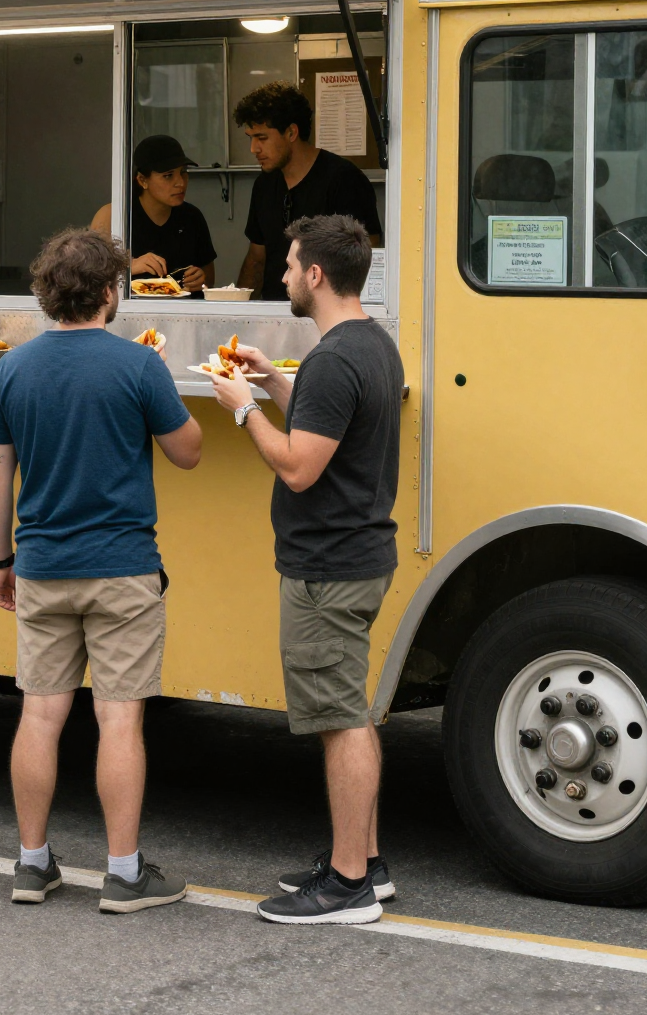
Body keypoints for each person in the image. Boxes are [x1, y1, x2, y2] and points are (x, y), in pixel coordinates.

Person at [0, 227, 202, 913]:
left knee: (40, 716)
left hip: (43, 565)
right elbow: (188, 451)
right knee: (118, 722)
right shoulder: (137, 366)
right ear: (111, 292)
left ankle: (30, 863)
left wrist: (1, 560)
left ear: (47, 294)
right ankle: (125, 873)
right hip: (123, 569)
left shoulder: (14, 368)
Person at [209, 214, 402, 925]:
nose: (283, 275)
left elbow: (298, 466)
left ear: (316, 275)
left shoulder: (332, 359)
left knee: (338, 720)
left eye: (290, 266)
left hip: (327, 566)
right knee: (348, 710)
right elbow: (325, 430)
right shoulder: (371, 344)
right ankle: (366, 863)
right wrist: (270, 388)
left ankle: (348, 884)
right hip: (359, 555)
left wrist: (238, 412)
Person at [233, 83, 382, 300]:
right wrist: (240, 313)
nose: (253, 148)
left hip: (325, 319)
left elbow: (367, 256)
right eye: (251, 138)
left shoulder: (344, 180)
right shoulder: (264, 185)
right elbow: (256, 259)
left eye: (262, 138)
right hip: (272, 315)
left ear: (292, 132)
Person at [89, 135, 217, 292]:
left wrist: (200, 281)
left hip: (183, 313)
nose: (180, 183)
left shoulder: (192, 217)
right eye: (168, 176)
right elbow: (90, 279)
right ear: (142, 180)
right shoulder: (112, 217)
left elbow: (209, 279)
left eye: (183, 172)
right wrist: (129, 266)